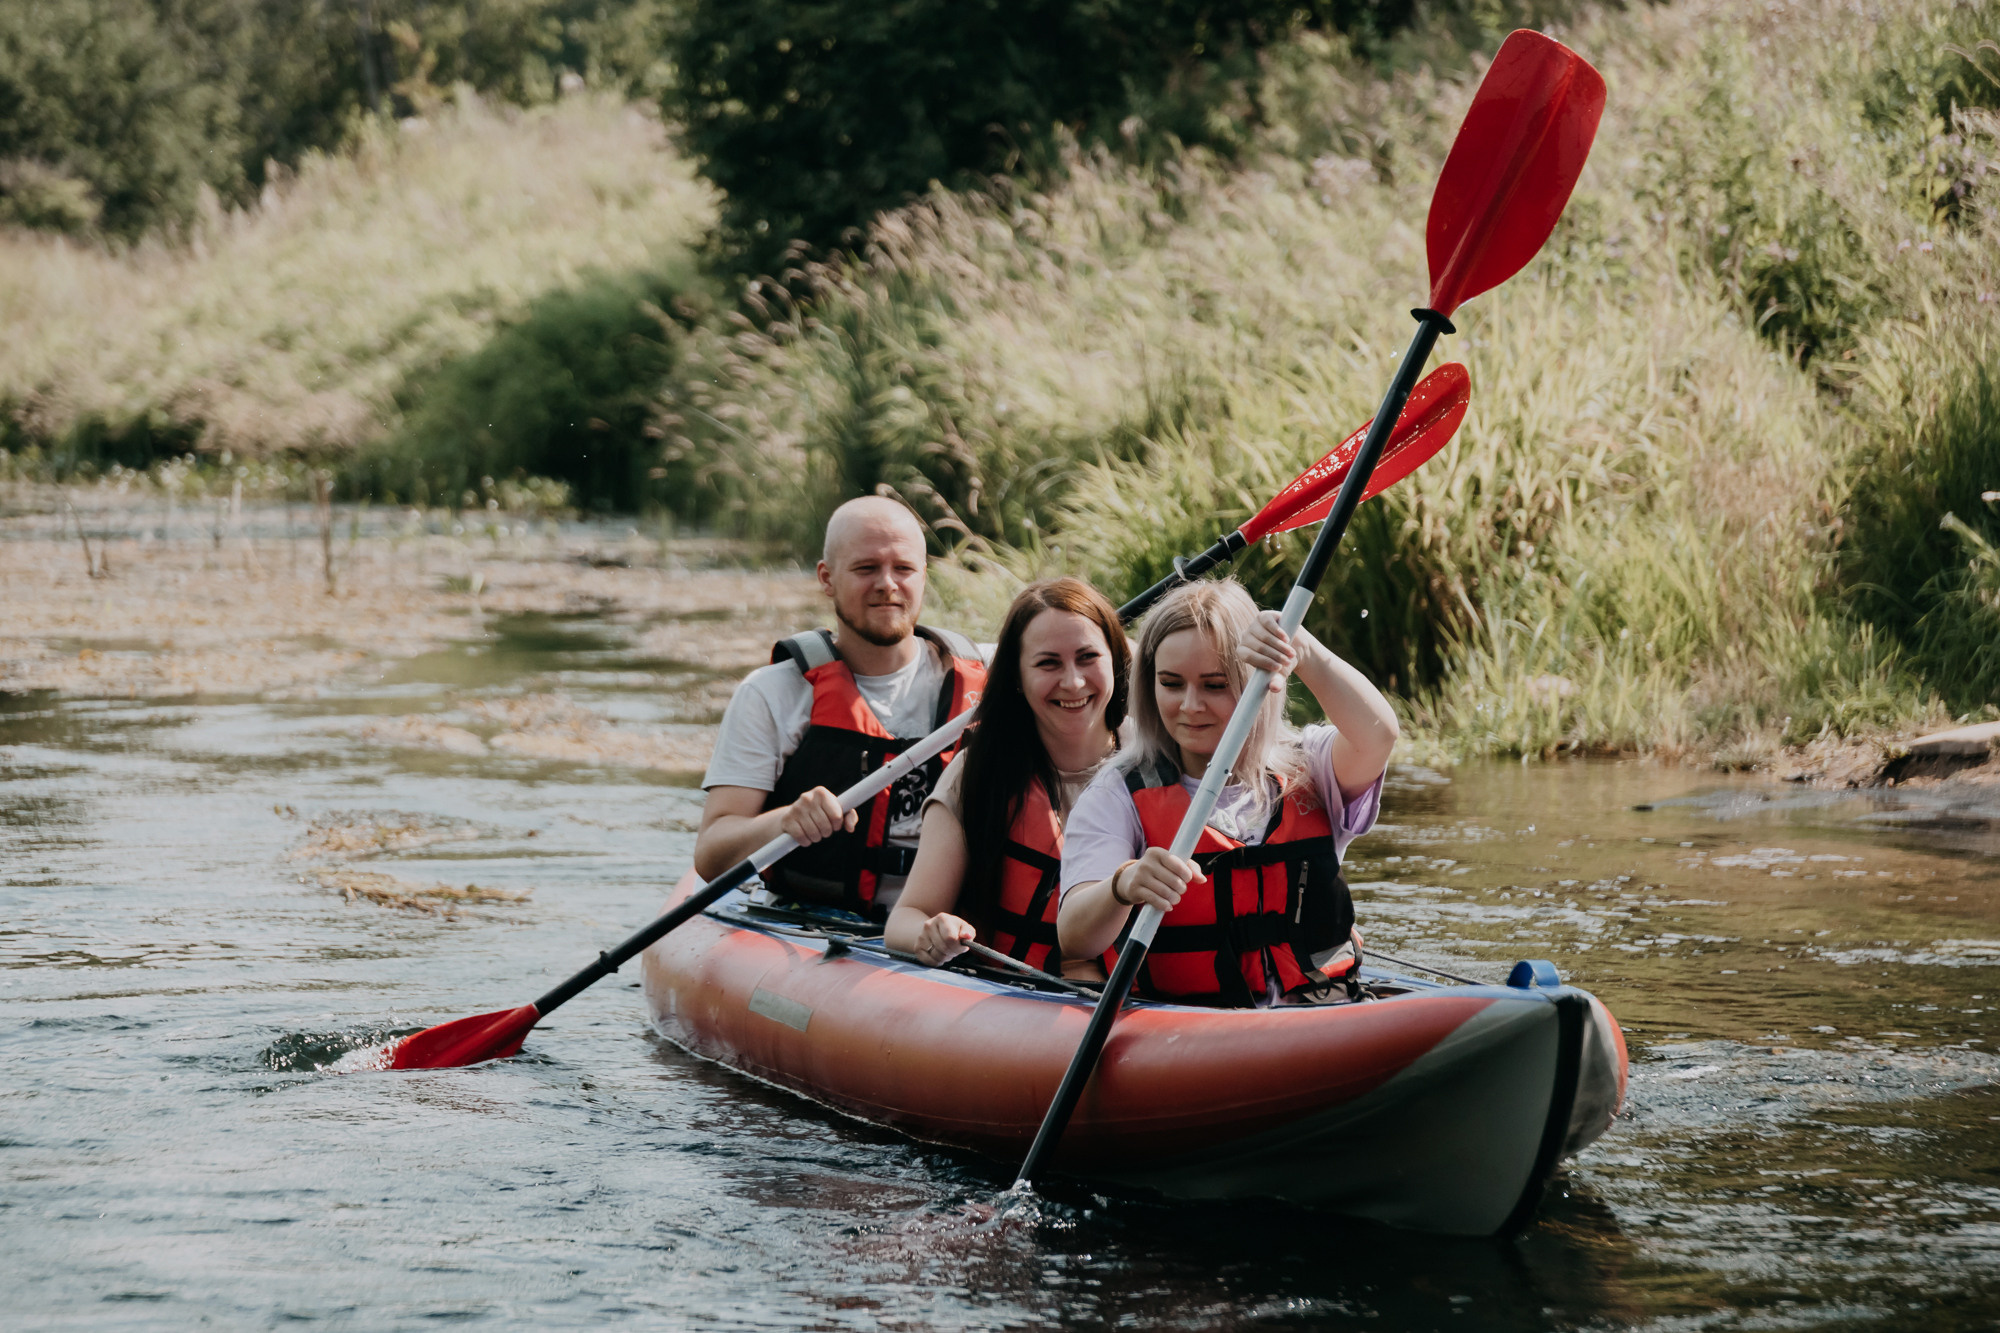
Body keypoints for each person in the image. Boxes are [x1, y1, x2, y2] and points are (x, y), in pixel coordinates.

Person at [1056, 578, 1398, 1007]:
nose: (1191, 705)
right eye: (1172, 683)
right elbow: (1075, 939)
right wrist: (1123, 885)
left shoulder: (1311, 767)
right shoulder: (1117, 793)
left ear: (1260, 680)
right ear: (1149, 684)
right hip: (1184, 1029)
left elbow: (1379, 735)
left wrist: (1303, 650)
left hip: (1321, 1014)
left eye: (1215, 685)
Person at [694, 496, 987, 920]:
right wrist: (784, 822)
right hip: (816, 918)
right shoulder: (772, 693)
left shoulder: (988, 681)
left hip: (952, 926)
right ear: (827, 578)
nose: (888, 583)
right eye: (866, 568)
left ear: (924, 575)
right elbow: (711, 856)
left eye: (903, 569)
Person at [885, 578, 1129, 980]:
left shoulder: (1155, 761)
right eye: (1048, 663)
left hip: (1140, 1003)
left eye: (1088, 657)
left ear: (1115, 662)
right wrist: (931, 933)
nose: (1073, 682)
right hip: (1013, 1004)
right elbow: (905, 919)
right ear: (1017, 677)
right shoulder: (978, 772)